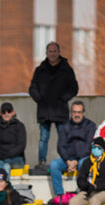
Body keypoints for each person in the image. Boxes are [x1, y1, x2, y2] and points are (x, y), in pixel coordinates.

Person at [28, 41, 79, 174]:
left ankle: (66, 161)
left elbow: (74, 88)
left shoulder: (66, 69)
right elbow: (32, 88)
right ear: (46, 53)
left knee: (64, 137)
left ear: (59, 52)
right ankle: (42, 162)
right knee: (44, 138)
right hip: (44, 110)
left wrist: (63, 98)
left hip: (60, 110)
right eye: (50, 51)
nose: (52, 54)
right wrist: (38, 98)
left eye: (54, 51)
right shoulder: (40, 70)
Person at [50, 101, 97, 200]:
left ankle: (83, 191)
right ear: (71, 113)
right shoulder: (65, 126)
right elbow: (60, 146)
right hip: (68, 158)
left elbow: (88, 146)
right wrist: (67, 160)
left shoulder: (90, 125)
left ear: (84, 113)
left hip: (83, 157)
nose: (76, 115)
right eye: (74, 112)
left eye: (79, 112)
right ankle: (60, 195)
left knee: (82, 164)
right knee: (54, 165)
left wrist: (76, 161)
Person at [0, 102, 27, 175]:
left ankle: (5, 185)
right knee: (3, 166)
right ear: (0, 113)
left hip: (16, 158)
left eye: (9, 111)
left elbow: (21, 145)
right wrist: (0, 154)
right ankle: (6, 185)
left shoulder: (19, 126)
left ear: (13, 112)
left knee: (3, 166)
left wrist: (7, 154)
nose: (6, 114)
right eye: (4, 112)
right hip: (1, 158)